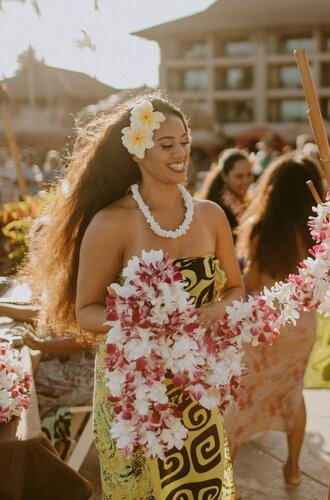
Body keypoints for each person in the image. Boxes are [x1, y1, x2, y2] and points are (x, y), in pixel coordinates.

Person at [23, 90, 244, 499]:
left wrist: (216, 311)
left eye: (184, 142)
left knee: (202, 488)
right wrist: (141, 323)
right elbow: (85, 311)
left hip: (194, 386)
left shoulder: (211, 216)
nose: (181, 153)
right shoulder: (112, 223)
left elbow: (235, 288)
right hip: (133, 395)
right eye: (166, 145)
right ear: (137, 150)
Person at [224, 153, 325, 487]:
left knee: (243, 396)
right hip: (303, 327)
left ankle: (228, 477)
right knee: (294, 394)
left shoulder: (262, 229)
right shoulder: (320, 231)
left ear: (273, 190)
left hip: (265, 324)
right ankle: (293, 470)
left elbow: (250, 283)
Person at [0, 302, 94, 457]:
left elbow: (86, 339)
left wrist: (38, 344)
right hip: (60, 359)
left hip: (84, 376)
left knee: (16, 385)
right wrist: (3, 309)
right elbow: (50, 314)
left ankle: (30, 455)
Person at [198, 148, 254, 238]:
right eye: (239, 176)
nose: (246, 181)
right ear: (224, 176)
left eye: (249, 174)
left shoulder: (249, 200)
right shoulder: (216, 208)